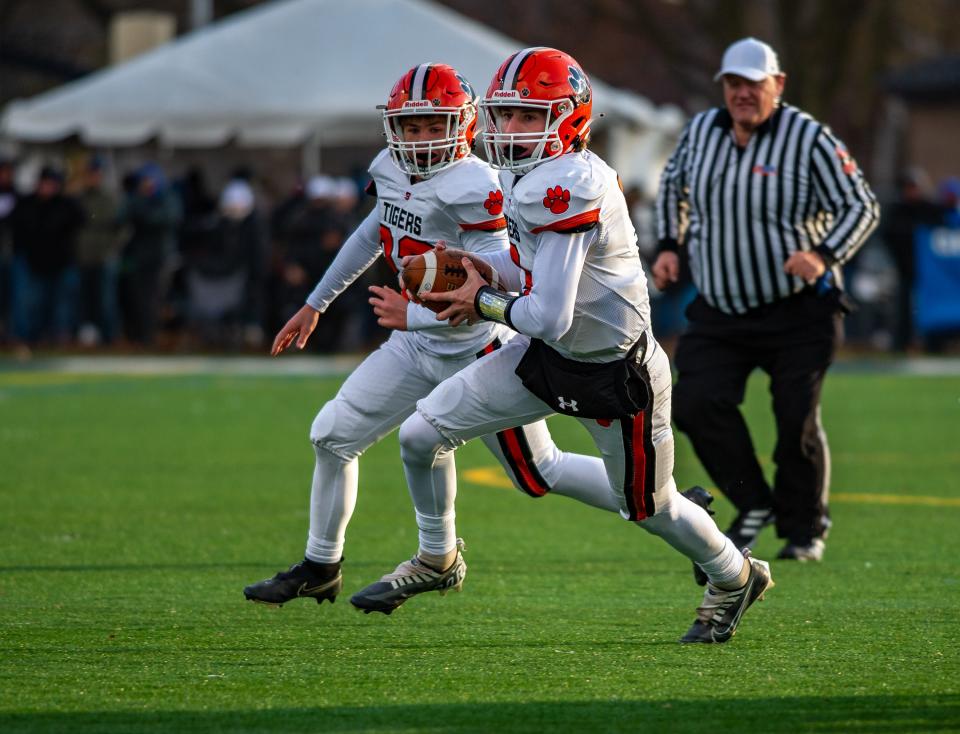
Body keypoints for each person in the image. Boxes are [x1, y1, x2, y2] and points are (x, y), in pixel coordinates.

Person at [350, 48, 773, 644]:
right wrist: (478, 265)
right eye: (506, 115)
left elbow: (547, 314)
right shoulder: (525, 173)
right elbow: (525, 266)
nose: (511, 130)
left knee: (651, 510)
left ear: (570, 117)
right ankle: (436, 558)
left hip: (615, 373)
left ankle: (735, 576)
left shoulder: (571, 182)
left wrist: (479, 300)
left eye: (528, 116)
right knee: (421, 435)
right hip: (550, 361)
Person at [243, 63, 620, 609]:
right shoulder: (390, 168)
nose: (419, 139)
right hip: (417, 345)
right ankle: (323, 564)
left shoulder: (477, 186)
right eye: (411, 126)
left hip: (478, 348)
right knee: (332, 435)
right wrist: (315, 302)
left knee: (540, 471)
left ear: (464, 124)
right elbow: (375, 229)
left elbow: (485, 282)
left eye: (432, 125)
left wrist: (414, 314)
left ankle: (661, 500)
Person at [652, 38, 879, 564]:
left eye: (754, 84)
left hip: (799, 310)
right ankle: (753, 502)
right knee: (692, 402)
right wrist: (669, 244)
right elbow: (672, 187)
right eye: (733, 84)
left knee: (793, 420)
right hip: (721, 306)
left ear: (777, 85)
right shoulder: (702, 131)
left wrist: (823, 254)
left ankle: (804, 529)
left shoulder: (808, 137)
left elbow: (861, 205)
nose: (742, 94)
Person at [9, 165, 85, 348]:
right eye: (45, 183)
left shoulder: (67, 204)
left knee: (61, 305)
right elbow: (15, 227)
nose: (47, 187)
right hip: (33, 262)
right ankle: (29, 339)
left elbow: (80, 221)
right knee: (31, 304)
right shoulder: (27, 203)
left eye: (51, 184)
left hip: (61, 263)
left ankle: (59, 338)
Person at [75, 156, 123, 346]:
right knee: (83, 300)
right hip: (83, 256)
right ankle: (85, 336)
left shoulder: (110, 199)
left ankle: (109, 337)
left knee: (106, 300)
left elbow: (121, 228)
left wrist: (111, 249)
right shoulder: (79, 199)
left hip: (104, 256)